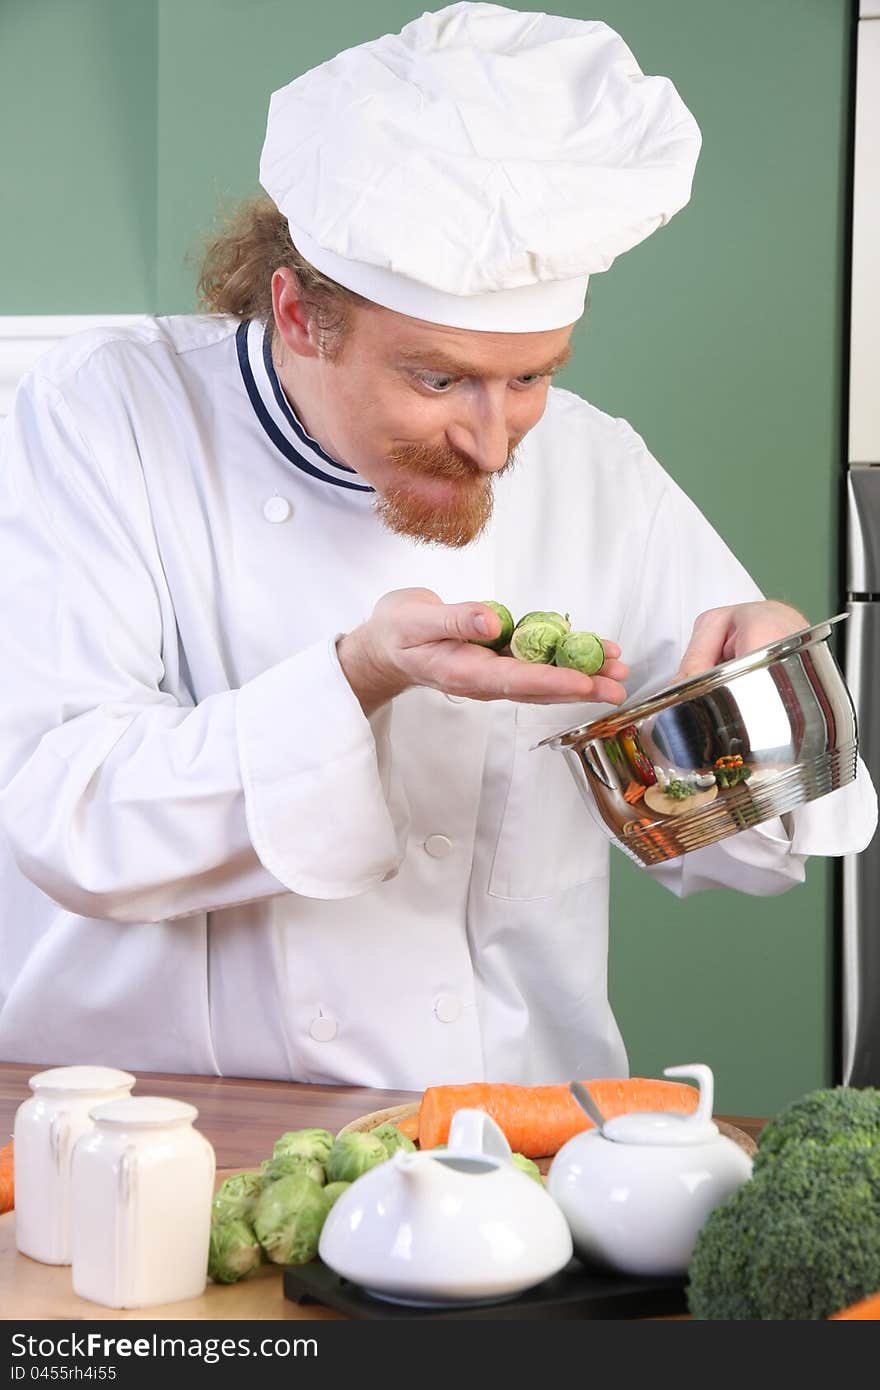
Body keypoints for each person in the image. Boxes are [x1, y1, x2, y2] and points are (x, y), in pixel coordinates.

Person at [0, 3, 875, 1086]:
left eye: (531, 376)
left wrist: (765, 685)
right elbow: (66, 810)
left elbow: (734, 836)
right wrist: (360, 676)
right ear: (298, 313)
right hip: (166, 1130)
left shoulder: (597, 468)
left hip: (506, 1137)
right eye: (438, 377)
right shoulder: (110, 419)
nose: (492, 440)